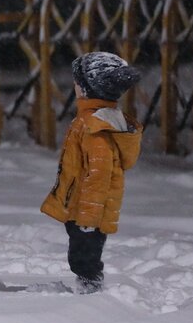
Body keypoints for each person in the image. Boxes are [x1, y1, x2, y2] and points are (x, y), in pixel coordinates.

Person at [40, 52, 143, 293]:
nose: (74, 86)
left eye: (78, 82)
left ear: (89, 89)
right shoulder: (92, 119)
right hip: (82, 207)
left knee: (84, 257)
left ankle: (90, 291)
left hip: (88, 212)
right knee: (83, 252)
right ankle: (88, 285)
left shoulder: (95, 126)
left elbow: (99, 175)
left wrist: (88, 219)